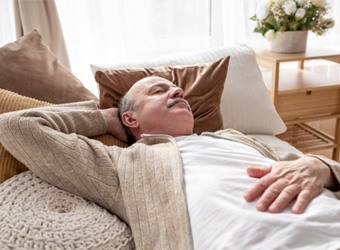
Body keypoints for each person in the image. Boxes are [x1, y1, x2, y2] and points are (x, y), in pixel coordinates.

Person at [0, 76, 340, 249]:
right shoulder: (123, 166)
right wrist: (105, 117)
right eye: (159, 91)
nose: (177, 92)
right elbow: (16, 127)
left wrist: (321, 166)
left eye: (178, 90)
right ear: (131, 118)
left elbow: (312, 168)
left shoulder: (235, 138)